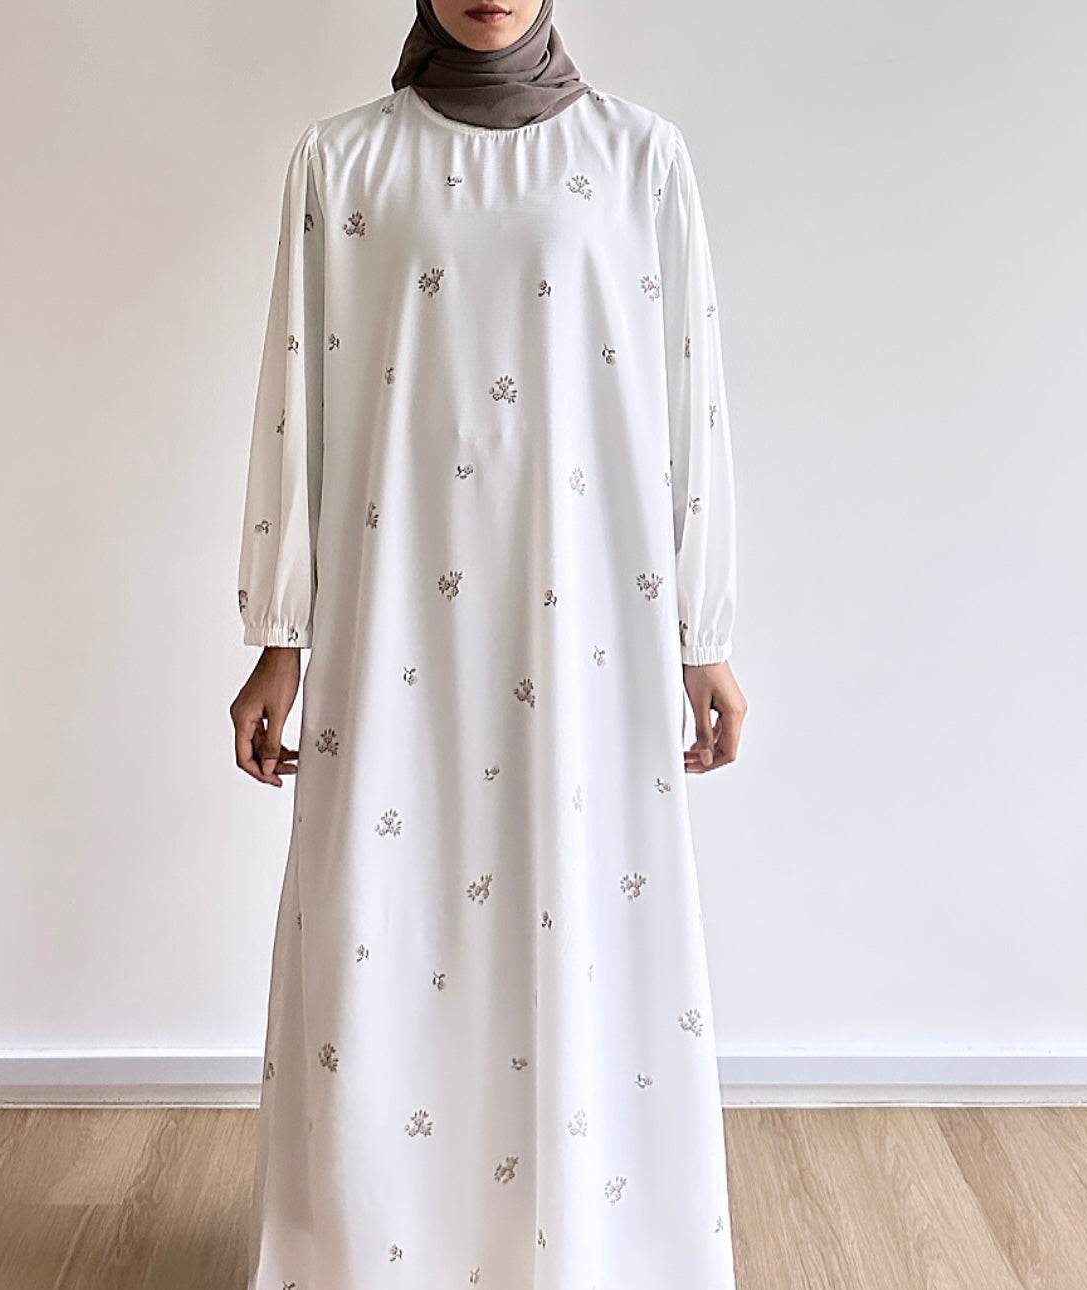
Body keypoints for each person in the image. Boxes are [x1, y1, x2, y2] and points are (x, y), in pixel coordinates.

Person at [228, 1, 748, 1285]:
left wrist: (703, 631)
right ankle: (378, 1250)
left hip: (592, 619)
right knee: (388, 920)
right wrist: (279, 633)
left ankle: (589, 1246)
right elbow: (297, 397)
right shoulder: (342, 160)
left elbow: (691, 395)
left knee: (581, 906)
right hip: (393, 608)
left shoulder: (641, 156)